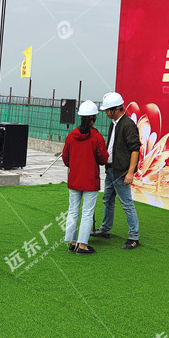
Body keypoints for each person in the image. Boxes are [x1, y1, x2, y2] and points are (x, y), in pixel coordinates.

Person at [91, 92, 142, 249]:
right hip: (111, 170)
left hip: (121, 172)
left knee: (126, 203)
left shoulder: (128, 125)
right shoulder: (114, 123)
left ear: (116, 109)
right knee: (108, 199)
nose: (106, 113)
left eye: (107, 110)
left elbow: (135, 149)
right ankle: (105, 229)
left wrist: (130, 173)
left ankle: (134, 237)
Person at [62, 100, 108, 255]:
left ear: (80, 118)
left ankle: (72, 242)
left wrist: (75, 166)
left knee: (73, 210)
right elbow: (103, 159)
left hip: (74, 179)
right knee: (87, 212)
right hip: (90, 181)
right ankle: (82, 245)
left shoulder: (71, 136)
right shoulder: (97, 137)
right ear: (93, 119)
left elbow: (65, 158)